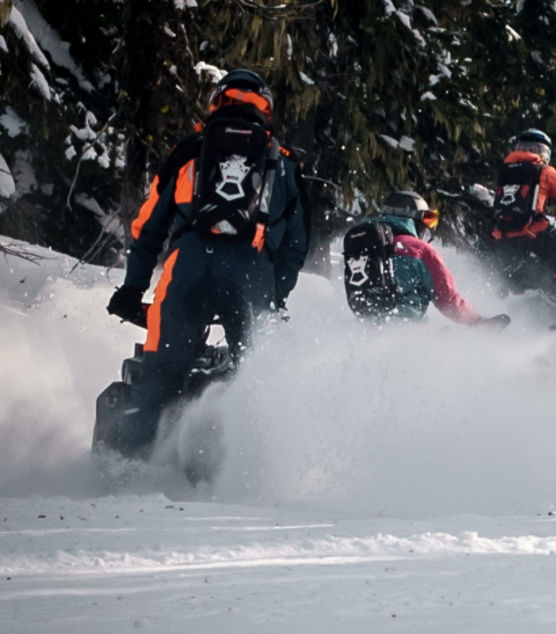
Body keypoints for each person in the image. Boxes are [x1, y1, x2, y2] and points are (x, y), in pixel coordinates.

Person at [105, 68, 309, 459]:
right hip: (252, 275)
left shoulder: (190, 151)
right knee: (254, 380)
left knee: (160, 372)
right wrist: (275, 297)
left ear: (217, 100)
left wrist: (133, 287)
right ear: (266, 108)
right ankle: (245, 474)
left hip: (188, 268)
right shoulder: (281, 164)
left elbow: (147, 226)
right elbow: (296, 245)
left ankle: (124, 473)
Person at [350, 189, 509, 328]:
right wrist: (477, 322)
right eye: (426, 218)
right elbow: (447, 300)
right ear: (412, 218)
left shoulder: (366, 248)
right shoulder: (419, 250)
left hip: (367, 331)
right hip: (407, 332)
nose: (426, 227)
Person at [488, 128, 556, 290]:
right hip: (534, 233)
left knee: (510, 278)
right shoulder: (545, 171)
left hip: (503, 236)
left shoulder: (506, 170)